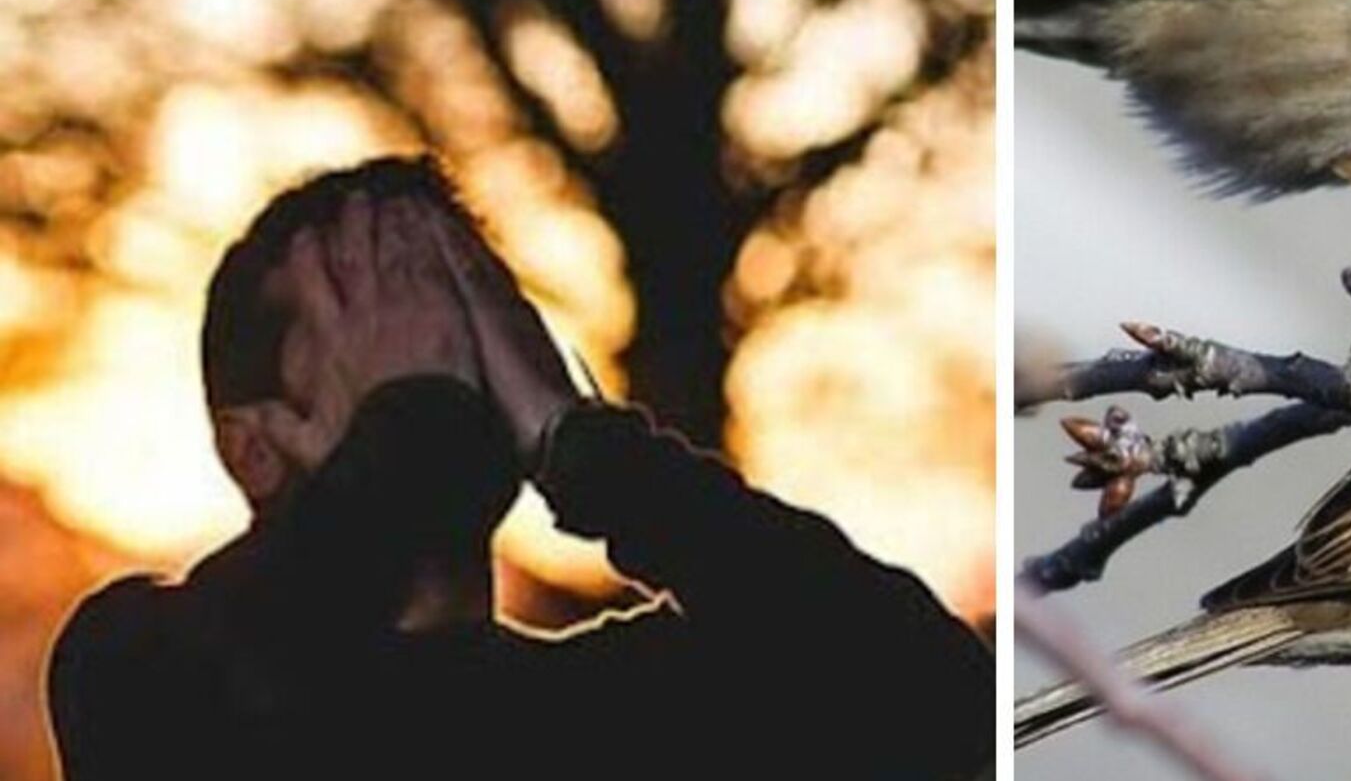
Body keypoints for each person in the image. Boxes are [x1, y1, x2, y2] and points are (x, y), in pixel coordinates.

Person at [47, 159, 994, 779]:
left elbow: (943, 709)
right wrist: (417, 421)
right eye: (381, 315)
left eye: (461, 301)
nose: (443, 348)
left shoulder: (630, 708)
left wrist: (583, 445)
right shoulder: (148, 668)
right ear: (251, 446)